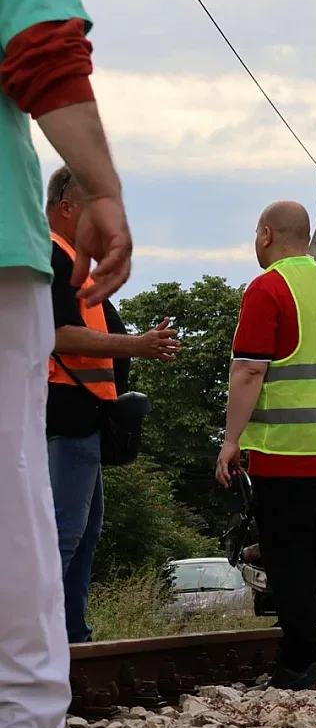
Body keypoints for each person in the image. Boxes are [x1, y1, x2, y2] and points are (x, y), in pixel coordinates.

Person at [0, 0, 133, 728]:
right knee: (16, 495)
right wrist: (106, 188)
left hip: (84, 420)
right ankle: (22, 714)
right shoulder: (53, 255)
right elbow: (45, 53)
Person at [215, 201, 316, 690]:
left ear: (266, 234)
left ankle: (299, 664)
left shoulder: (267, 288)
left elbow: (250, 369)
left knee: (291, 557)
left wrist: (231, 440)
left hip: (286, 450)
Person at [44, 165, 180, 645]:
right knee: (63, 536)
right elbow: (59, 334)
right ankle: (35, 642)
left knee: (82, 536)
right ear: (66, 207)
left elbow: (106, 335)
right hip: (66, 416)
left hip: (84, 419)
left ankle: (71, 637)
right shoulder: (54, 258)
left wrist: (143, 343)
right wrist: (140, 345)